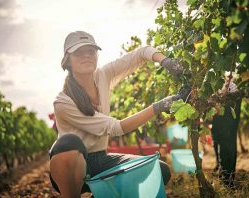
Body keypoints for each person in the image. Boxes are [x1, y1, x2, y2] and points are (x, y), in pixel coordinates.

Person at [49, 31, 187, 197]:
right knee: (68, 142)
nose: (86, 56)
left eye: (91, 51)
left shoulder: (103, 75)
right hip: (74, 165)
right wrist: (161, 105)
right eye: (79, 52)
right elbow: (115, 127)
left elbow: (141, 53)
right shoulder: (63, 102)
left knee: (159, 170)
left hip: (101, 159)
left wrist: (166, 61)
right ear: (67, 60)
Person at [211, 80, 241, 188]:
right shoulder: (214, 83)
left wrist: (221, 97)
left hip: (228, 126)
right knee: (223, 153)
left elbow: (236, 97)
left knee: (227, 153)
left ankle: (228, 182)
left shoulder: (232, 86)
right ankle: (226, 180)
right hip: (220, 125)